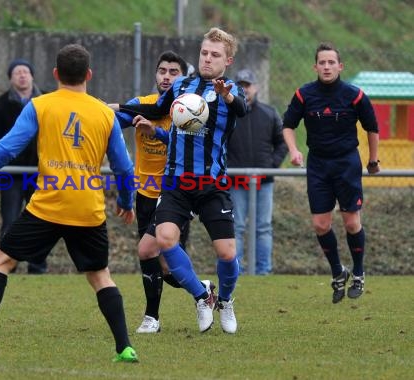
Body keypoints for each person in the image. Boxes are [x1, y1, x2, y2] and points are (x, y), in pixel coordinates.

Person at [0, 44, 139, 363]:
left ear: (56, 74)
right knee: (100, 275)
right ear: (88, 75)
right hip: (87, 208)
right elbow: (124, 167)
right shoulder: (105, 113)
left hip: (48, 205)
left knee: (1, 261)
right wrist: (127, 201)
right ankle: (125, 347)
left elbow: (6, 149)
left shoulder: (40, 105)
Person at [114, 27, 247, 334]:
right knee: (163, 240)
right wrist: (119, 107)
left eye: (215, 55)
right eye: (204, 53)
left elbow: (242, 110)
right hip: (176, 183)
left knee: (226, 252)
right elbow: (157, 109)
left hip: (212, 184)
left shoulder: (231, 90)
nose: (208, 59)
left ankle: (225, 300)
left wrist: (226, 94)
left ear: (228, 59)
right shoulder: (182, 85)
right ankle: (202, 296)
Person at [282, 42, 380, 304]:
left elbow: (372, 128)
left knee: (351, 222)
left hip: (347, 163)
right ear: (315, 66)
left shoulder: (355, 95)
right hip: (318, 165)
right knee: (320, 224)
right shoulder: (304, 95)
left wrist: (373, 160)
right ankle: (338, 272)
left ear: (340, 66)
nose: (326, 67)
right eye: (322, 63)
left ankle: (358, 272)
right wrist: (294, 150)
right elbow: (288, 125)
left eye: (331, 62)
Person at [113, 51, 192, 334]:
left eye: (173, 72)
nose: (166, 76)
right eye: (162, 71)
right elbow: (114, 120)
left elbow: (184, 145)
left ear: (183, 77)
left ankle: (151, 317)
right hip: (144, 193)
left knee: (150, 253)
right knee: (161, 264)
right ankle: (203, 290)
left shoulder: (189, 107)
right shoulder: (142, 104)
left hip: (174, 194)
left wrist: (154, 132)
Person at [0, 58, 48, 274]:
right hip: (11, 174)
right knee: (10, 221)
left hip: (40, 173)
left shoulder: (47, 102)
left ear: (32, 76)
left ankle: (38, 266)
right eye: (17, 72)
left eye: (25, 71)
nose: (22, 75)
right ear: (11, 78)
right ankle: (5, 267)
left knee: (41, 221)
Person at [227, 68, 288, 275]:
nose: (245, 89)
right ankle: (237, 271)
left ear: (256, 87)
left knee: (263, 228)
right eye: (241, 85)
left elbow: (282, 142)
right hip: (236, 181)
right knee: (236, 228)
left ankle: (263, 272)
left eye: (248, 85)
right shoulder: (228, 114)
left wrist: (271, 166)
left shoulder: (269, 113)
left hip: (264, 181)